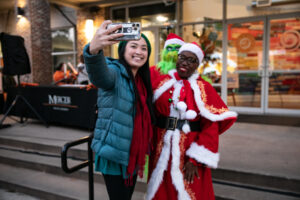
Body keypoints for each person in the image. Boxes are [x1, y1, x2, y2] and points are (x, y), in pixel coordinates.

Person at [147, 42, 237, 200]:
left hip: (188, 152)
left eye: (191, 60)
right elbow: (147, 111)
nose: (185, 62)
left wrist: (195, 159)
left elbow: (211, 127)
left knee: (190, 192)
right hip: (161, 151)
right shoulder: (161, 83)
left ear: (198, 65)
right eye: (182, 57)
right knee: (161, 191)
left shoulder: (204, 88)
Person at [83, 20, 155, 200]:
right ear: (122, 50)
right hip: (114, 152)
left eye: (144, 48)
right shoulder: (115, 71)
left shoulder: (143, 83)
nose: (139, 51)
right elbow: (100, 75)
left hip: (133, 152)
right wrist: (94, 50)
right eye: (134, 46)